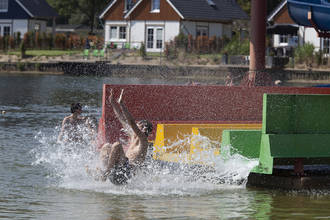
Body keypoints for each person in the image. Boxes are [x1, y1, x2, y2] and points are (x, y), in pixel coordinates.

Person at [91, 89, 153, 185]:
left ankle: (105, 173)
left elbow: (131, 123)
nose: (136, 126)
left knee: (117, 145)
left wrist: (122, 104)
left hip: (126, 175)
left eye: (139, 125)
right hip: (119, 170)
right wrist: (113, 103)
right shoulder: (133, 135)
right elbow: (121, 118)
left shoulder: (144, 141)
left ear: (144, 129)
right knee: (107, 146)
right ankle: (104, 170)